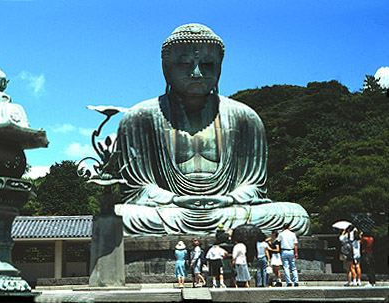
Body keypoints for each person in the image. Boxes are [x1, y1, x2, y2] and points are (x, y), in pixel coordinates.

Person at [114, 23, 310, 235]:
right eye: (184, 64)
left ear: (219, 67)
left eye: (207, 64)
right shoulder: (141, 117)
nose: (197, 73)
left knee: (296, 216)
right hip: (170, 210)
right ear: (166, 68)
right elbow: (138, 187)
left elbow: (254, 185)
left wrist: (229, 199)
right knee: (120, 215)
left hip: (228, 209)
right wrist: (174, 199)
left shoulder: (245, 117)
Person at [278, 223, 299, 287]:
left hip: (284, 250)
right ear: (289, 227)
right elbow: (295, 244)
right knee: (293, 267)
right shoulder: (293, 234)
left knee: (286, 267)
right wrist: (296, 252)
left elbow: (278, 241)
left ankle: (289, 282)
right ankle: (296, 281)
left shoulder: (281, 234)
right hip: (291, 250)